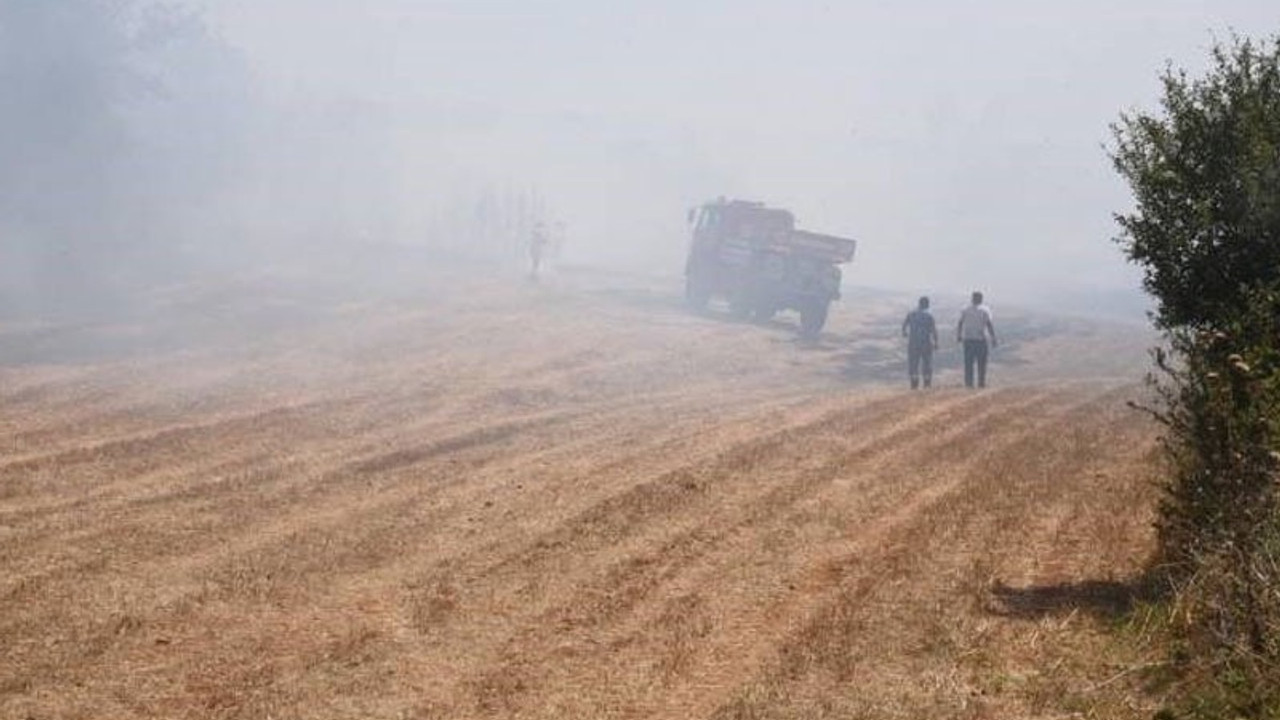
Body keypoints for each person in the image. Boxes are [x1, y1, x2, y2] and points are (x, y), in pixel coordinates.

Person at [956, 291, 997, 388]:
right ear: (981, 299)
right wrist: (993, 338)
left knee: (968, 363)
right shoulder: (985, 310)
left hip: (968, 340)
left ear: (972, 298)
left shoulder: (965, 309)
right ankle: (981, 383)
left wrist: (959, 335)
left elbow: (960, 323)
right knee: (981, 364)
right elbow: (989, 324)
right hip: (980, 340)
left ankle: (968, 384)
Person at [901, 296, 938, 389]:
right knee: (927, 363)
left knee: (913, 364)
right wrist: (936, 342)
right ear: (927, 305)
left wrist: (905, 333)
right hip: (926, 343)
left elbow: (904, 325)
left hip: (913, 343)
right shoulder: (929, 315)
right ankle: (927, 384)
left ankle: (914, 384)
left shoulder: (911, 314)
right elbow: (934, 330)